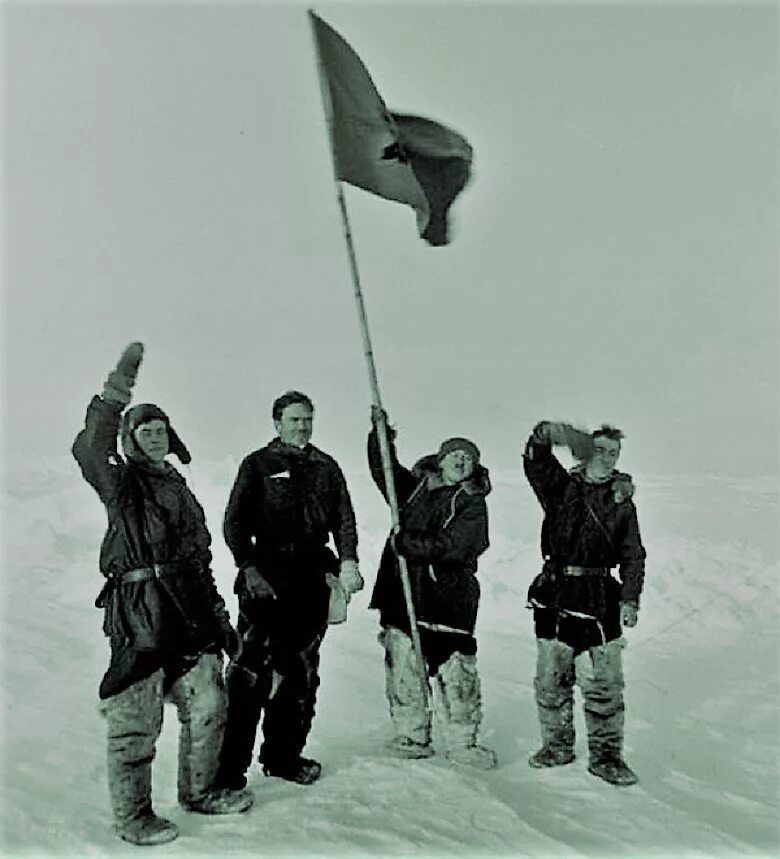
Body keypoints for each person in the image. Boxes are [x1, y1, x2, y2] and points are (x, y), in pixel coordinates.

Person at [71, 343, 253, 847]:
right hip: (140, 613)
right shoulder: (122, 484)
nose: (154, 437)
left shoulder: (179, 487)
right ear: (130, 441)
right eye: (144, 431)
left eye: (161, 430)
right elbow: (90, 448)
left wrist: (220, 621)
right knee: (137, 718)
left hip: (188, 610)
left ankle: (200, 792)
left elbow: (199, 561)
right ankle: (133, 817)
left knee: (210, 702)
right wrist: (115, 395)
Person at [213, 391, 362, 789]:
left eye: (307, 419)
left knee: (300, 673)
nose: (302, 426)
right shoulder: (258, 464)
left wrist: (347, 561)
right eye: (294, 419)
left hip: (311, 579)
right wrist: (248, 567)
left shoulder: (325, 467)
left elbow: (344, 519)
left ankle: (283, 757)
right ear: (277, 423)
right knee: (251, 673)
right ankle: (228, 771)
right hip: (267, 579)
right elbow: (234, 523)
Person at [367, 407, 497, 769]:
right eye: (455, 454)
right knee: (404, 666)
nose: (461, 460)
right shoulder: (415, 489)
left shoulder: (473, 502)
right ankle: (412, 735)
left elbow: (456, 546)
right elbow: (384, 472)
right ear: (440, 460)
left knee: (457, 672)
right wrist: (381, 435)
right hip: (405, 593)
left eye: (468, 458)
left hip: (448, 600)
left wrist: (408, 544)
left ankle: (462, 742)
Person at [523, 420, 646, 786]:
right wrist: (543, 436)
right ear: (588, 451)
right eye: (602, 450)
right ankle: (557, 746)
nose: (607, 458)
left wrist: (630, 598)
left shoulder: (622, 502)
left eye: (614, 452)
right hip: (556, 592)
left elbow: (633, 554)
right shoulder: (562, 488)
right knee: (550, 680)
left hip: (599, 597)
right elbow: (537, 464)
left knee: (604, 685)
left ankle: (607, 758)